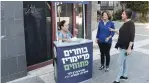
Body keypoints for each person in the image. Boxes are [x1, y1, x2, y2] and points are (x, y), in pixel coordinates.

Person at [109, 9, 135, 83]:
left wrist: (129, 48)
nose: (121, 15)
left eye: (123, 14)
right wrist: (113, 30)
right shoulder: (125, 23)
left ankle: (117, 79)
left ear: (127, 15)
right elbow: (121, 33)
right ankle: (125, 75)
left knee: (119, 62)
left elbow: (132, 37)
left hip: (125, 47)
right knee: (125, 61)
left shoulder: (131, 23)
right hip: (122, 45)